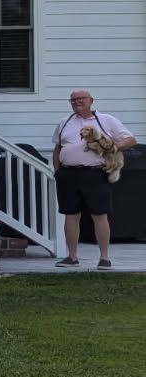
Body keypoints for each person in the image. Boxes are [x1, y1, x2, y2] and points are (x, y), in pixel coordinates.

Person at [52, 90, 136, 268]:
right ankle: (72, 257)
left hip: (95, 174)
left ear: (91, 101)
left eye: (81, 99)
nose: (77, 102)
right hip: (68, 175)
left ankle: (104, 258)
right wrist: (57, 171)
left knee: (99, 214)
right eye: (73, 100)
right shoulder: (64, 123)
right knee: (71, 215)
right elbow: (58, 149)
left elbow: (130, 140)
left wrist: (112, 148)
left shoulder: (106, 120)